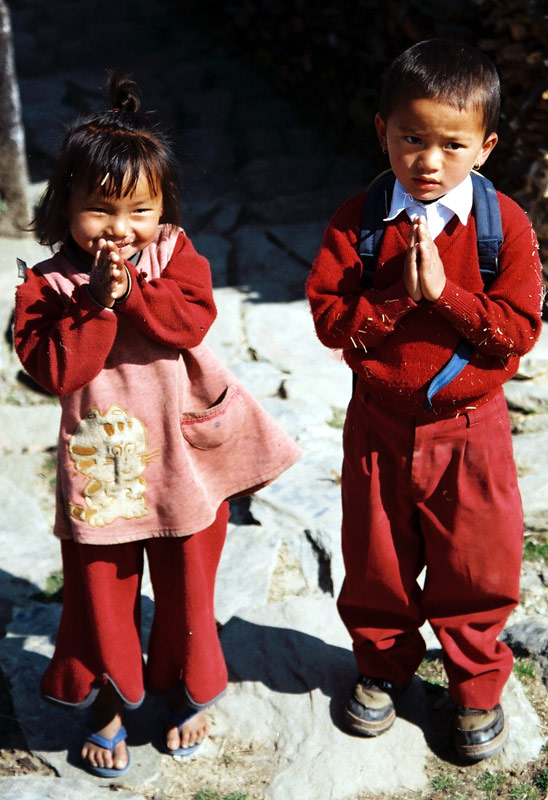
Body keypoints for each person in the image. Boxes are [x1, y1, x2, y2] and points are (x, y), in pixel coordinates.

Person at [14, 73, 300, 777]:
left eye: (139, 209)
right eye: (99, 209)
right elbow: (57, 370)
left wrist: (133, 292)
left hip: (186, 456)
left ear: (163, 207)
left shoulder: (175, 255)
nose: (121, 229)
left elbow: (190, 320)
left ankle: (187, 691)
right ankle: (109, 703)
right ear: (65, 204)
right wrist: (95, 305)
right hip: (104, 468)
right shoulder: (44, 286)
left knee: (188, 587)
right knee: (101, 592)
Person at [306, 39, 543, 761]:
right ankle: (383, 666)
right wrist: (394, 300)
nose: (429, 161)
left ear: (486, 147)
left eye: (452, 144)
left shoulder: (504, 228)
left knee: (477, 564)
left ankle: (475, 685)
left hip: (471, 430)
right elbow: (330, 324)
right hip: (378, 426)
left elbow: (518, 333)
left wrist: (448, 296)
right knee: (375, 558)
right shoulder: (359, 222)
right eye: (412, 139)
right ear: (383, 132)